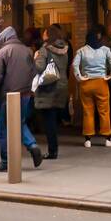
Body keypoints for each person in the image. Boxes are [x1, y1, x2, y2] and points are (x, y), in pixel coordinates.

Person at [0, 25, 43, 173]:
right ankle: (32, 145)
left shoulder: (2, 53)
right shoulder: (27, 51)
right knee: (19, 123)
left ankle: (5, 161)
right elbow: (34, 72)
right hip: (25, 95)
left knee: (2, 129)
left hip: (7, 97)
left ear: (4, 39)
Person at [73, 27, 111, 148]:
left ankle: (88, 139)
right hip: (101, 82)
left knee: (88, 111)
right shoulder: (105, 50)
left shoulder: (81, 51)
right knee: (104, 111)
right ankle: (108, 138)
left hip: (86, 83)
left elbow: (75, 64)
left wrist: (79, 77)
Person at [32, 24, 71, 160]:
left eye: (44, 33)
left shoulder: (44, 50)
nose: (43, 35)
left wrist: (35, 57)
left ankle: (52, 150)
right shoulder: (65, 49)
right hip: (61, 86)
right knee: (53, 119)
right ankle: (53, 149)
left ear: (48, 35)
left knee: (48, 121)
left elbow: (39, 67)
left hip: (48, 87)